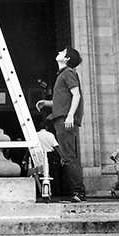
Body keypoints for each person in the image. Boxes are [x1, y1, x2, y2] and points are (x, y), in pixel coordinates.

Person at [36, 46, 86, 203]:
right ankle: (77, 192)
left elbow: (76, 95)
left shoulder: (68, 73)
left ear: (67, 59)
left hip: (65, 119)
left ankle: (78, 192)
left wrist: (70, 115)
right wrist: (46, 103)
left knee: (69, 157)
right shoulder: (64, 75)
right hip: (62, 118)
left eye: (63, 52)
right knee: (67, 156)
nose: (59, 52)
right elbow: (62, 100)